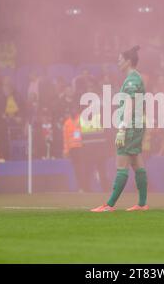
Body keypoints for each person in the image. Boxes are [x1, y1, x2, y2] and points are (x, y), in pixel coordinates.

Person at [91, 46, 149, 212]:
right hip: (137, 125)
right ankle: (142, 203)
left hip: (130, 126)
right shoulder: (136, 78)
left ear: (128, 61)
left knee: (121, 165)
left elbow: (129, 104)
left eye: (120, 60)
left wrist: (123, 128)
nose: (117, 62)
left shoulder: (131, 80)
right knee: (137, 163)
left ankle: (109, 205)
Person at [62, 107, 86, 192]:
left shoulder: (81, 119)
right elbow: (65, 138)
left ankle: (84, 186)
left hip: (81, 148)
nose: (73, 112)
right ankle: (81, 187)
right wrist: (66, 150)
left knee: (83, 168)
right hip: (73, 150)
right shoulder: (67, 123)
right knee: (77, 169)